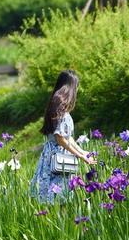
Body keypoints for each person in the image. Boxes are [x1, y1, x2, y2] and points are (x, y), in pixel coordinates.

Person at [30, 70, 96, 203]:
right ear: (70, 88)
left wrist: (83, 152)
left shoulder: (56, 108)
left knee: (53, 197)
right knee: (58, 198)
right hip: (59, 159)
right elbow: (60, 138)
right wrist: (80, 156)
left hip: (52, 156)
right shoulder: (62, 112)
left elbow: (68, 138)